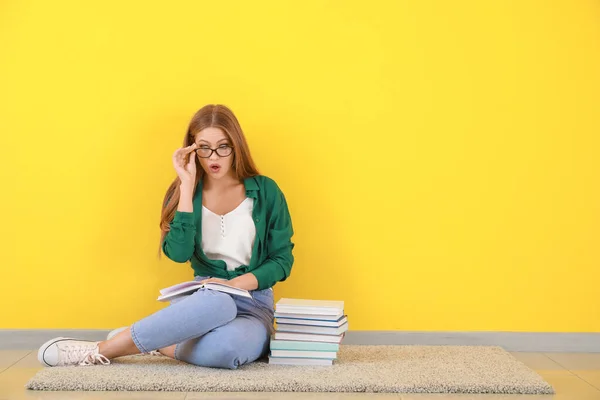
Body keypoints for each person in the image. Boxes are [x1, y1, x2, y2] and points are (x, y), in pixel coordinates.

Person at [37, 104, 295, 369]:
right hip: (204, 301)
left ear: (236, 146)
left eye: (223, 146)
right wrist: (186, 185)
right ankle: (100, 351)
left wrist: (236, 285)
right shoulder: (183, 192)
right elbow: (179, 253)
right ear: (192, 149)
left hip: (253, 303)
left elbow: (281, 260)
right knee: (220, 305)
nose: (214, 156)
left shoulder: (266, 191)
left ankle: (157, 341)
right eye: (204, 147)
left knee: (227, 351)